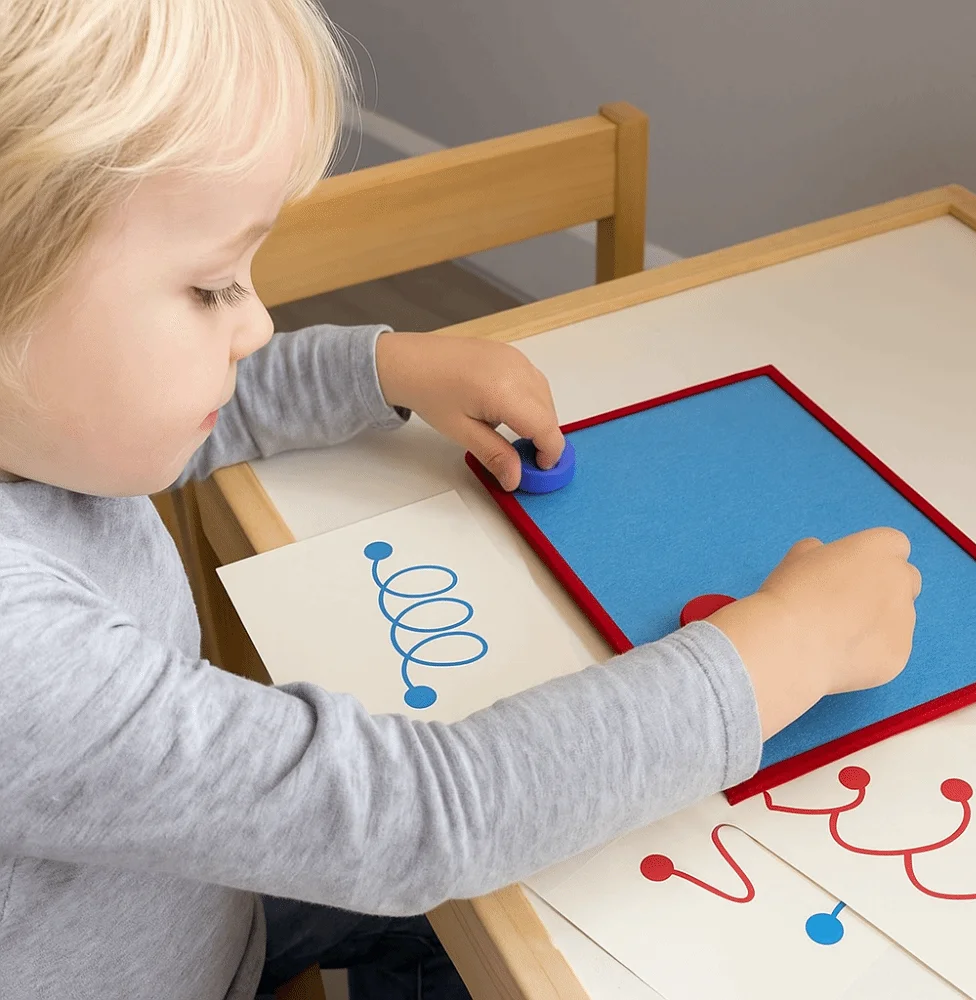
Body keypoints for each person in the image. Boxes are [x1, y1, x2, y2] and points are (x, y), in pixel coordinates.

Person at [0, 2, 921, 998]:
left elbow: (163, 419)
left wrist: (382, 367)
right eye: (212, 286)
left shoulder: (48, 418)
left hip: (186, 901)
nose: (257, 320)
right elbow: (420, 815)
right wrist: (779, 651)